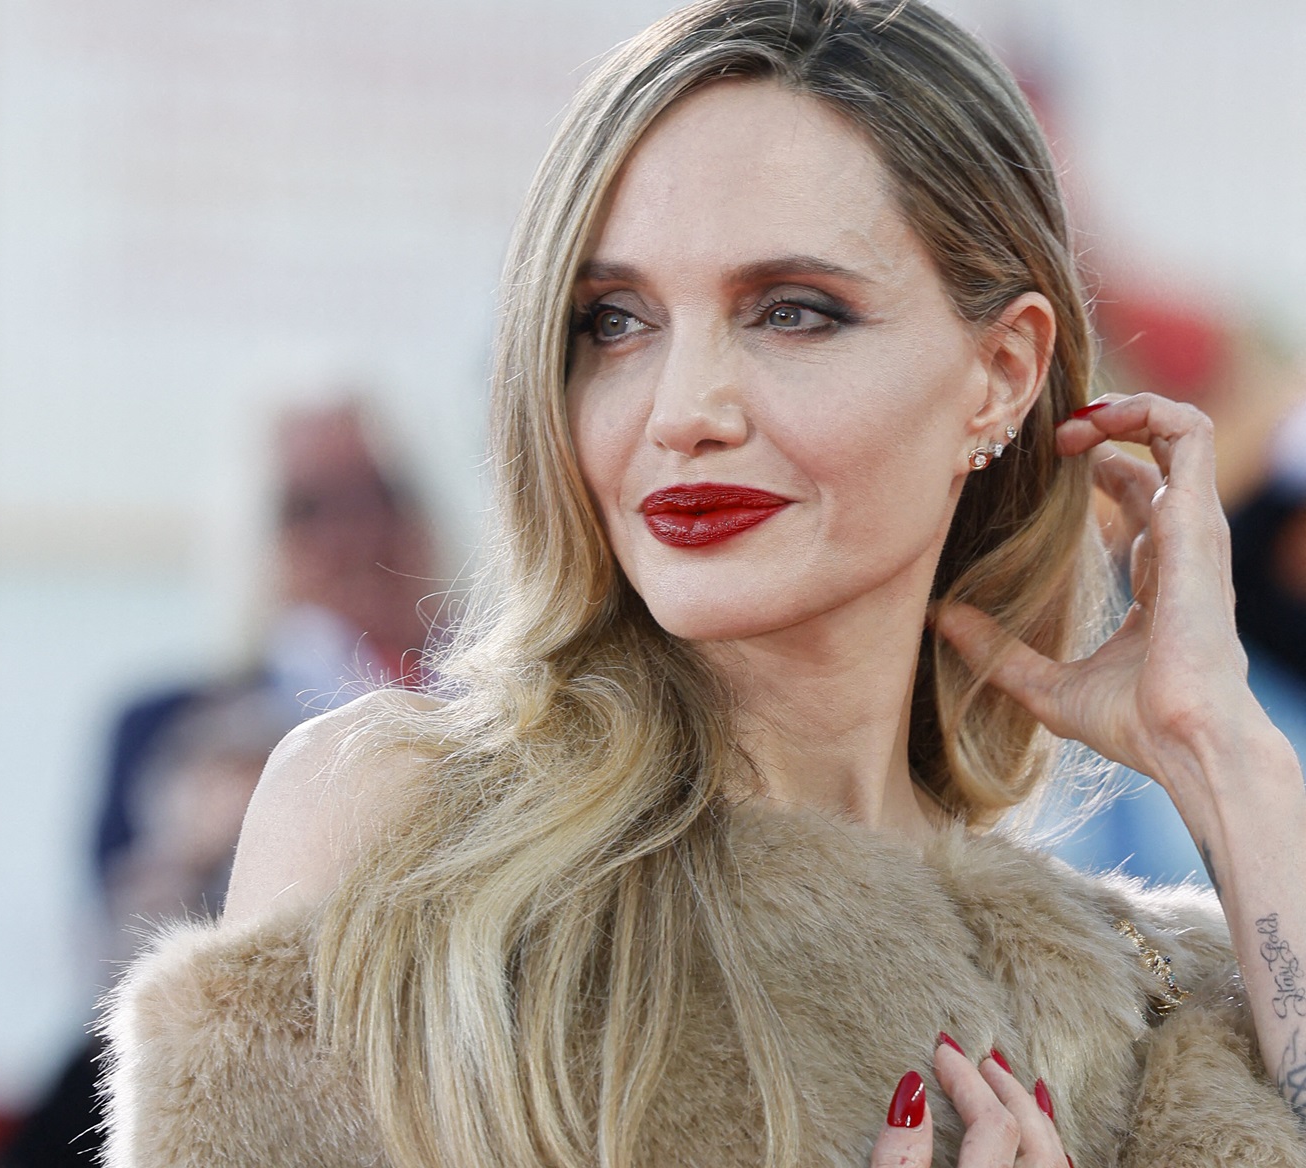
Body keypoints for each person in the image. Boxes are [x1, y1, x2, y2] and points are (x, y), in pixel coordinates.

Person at [99, 2, 1306, 1164]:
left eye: (793, 312)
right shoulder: (398, 834)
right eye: (615, 321)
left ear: (1000, 374)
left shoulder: (1135, 990)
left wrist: (1227, 757)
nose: (683, 410)